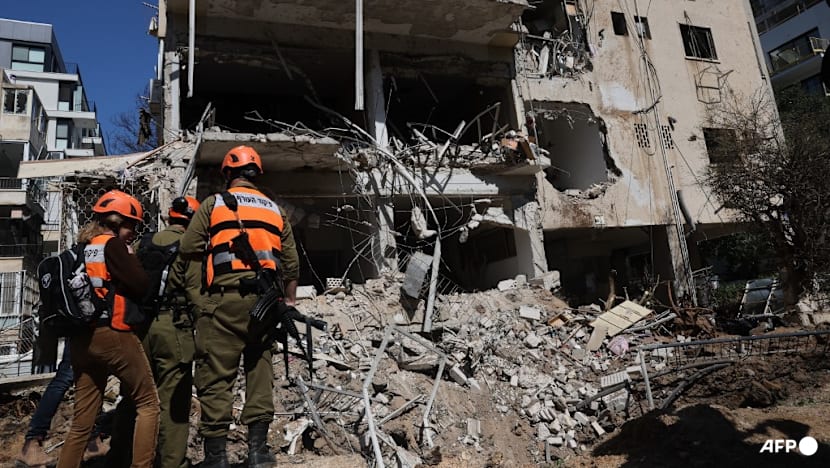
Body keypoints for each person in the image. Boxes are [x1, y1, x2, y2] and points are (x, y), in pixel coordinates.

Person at [181, 145, 299, 467]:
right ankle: (258, 453)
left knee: (217, 377)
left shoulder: (214, 204)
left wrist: (199, 297)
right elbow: (291, 263)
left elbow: (189, 248)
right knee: (260, 372)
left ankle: (216, 457)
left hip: (224, 301)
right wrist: (288, 302)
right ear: (256, 175)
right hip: (266, 304)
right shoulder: (275, 210)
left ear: (228, 174)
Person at [56, 190, 160, 468]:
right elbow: (141, 284)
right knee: (148, 404)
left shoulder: (82, 248)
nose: (133, 233)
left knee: (82, 422)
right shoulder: (112, 245)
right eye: (132, 225)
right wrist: (131, 257)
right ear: (117, 221)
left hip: (81, 339)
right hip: (113, 333)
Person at [107, 196, 202, 468]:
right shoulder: (190, 246)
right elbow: (195, 293)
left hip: (140, 326)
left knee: (134, 395)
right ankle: (171, 462)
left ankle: (118, 458)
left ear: (170, 217)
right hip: (174, 329)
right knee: (174, 401)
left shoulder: (145, 242)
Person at [16, 342, 109, 467]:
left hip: (87, 334)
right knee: (65, 378)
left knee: (96, 379)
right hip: (84, 335)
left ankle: (94, 442)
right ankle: (32, 443)